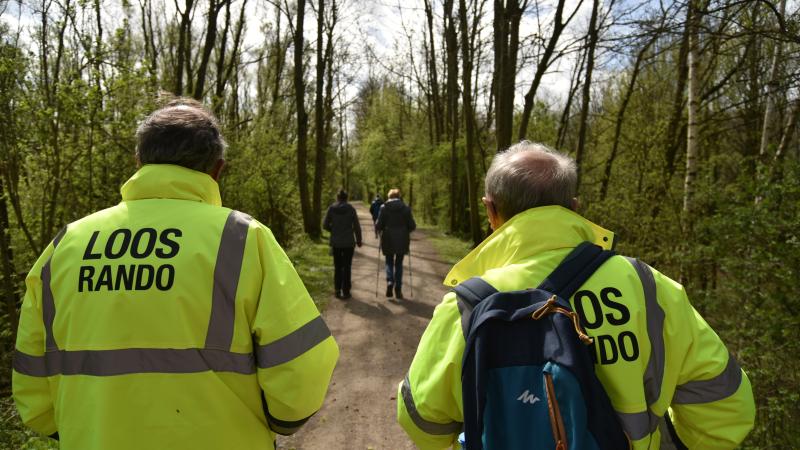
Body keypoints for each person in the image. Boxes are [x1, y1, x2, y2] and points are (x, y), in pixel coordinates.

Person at [12, 98, 339, 450]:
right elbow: (300, 374)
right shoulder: (242, 239)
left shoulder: (66, 245)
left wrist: (85, 429)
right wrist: (277, 421)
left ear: (138, 163)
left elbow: (34, 387)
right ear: (217, 170)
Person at [397, 142, 755, 449]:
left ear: (490, 210)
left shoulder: (469, 304)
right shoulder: (649, 288)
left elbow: (422, 421)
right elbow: (725, 406)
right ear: (575, 206)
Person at [376, 189, 416, 300]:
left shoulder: (384, 208)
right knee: (399, 264)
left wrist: (380, 228)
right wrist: (406, 229)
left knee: (389, 261)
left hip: (388, 237)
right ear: (399, 196)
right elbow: (412, 225)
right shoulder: (405, 208)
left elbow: (378, 225)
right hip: (402, 239)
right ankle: (398, 289)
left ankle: (390, 281)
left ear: (389, 197)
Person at [323, 189, 362, 299]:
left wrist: (334, 230)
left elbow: (325, 225)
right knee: (347, 266)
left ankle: (337, 290)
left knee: (338, 266)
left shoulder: (331, 208)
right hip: (349, 242)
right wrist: (359, 240)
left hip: (336, 242)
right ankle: (346, 291)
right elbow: (357, 226)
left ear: (338, 197)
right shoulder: (351, 209)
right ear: (346, 198)